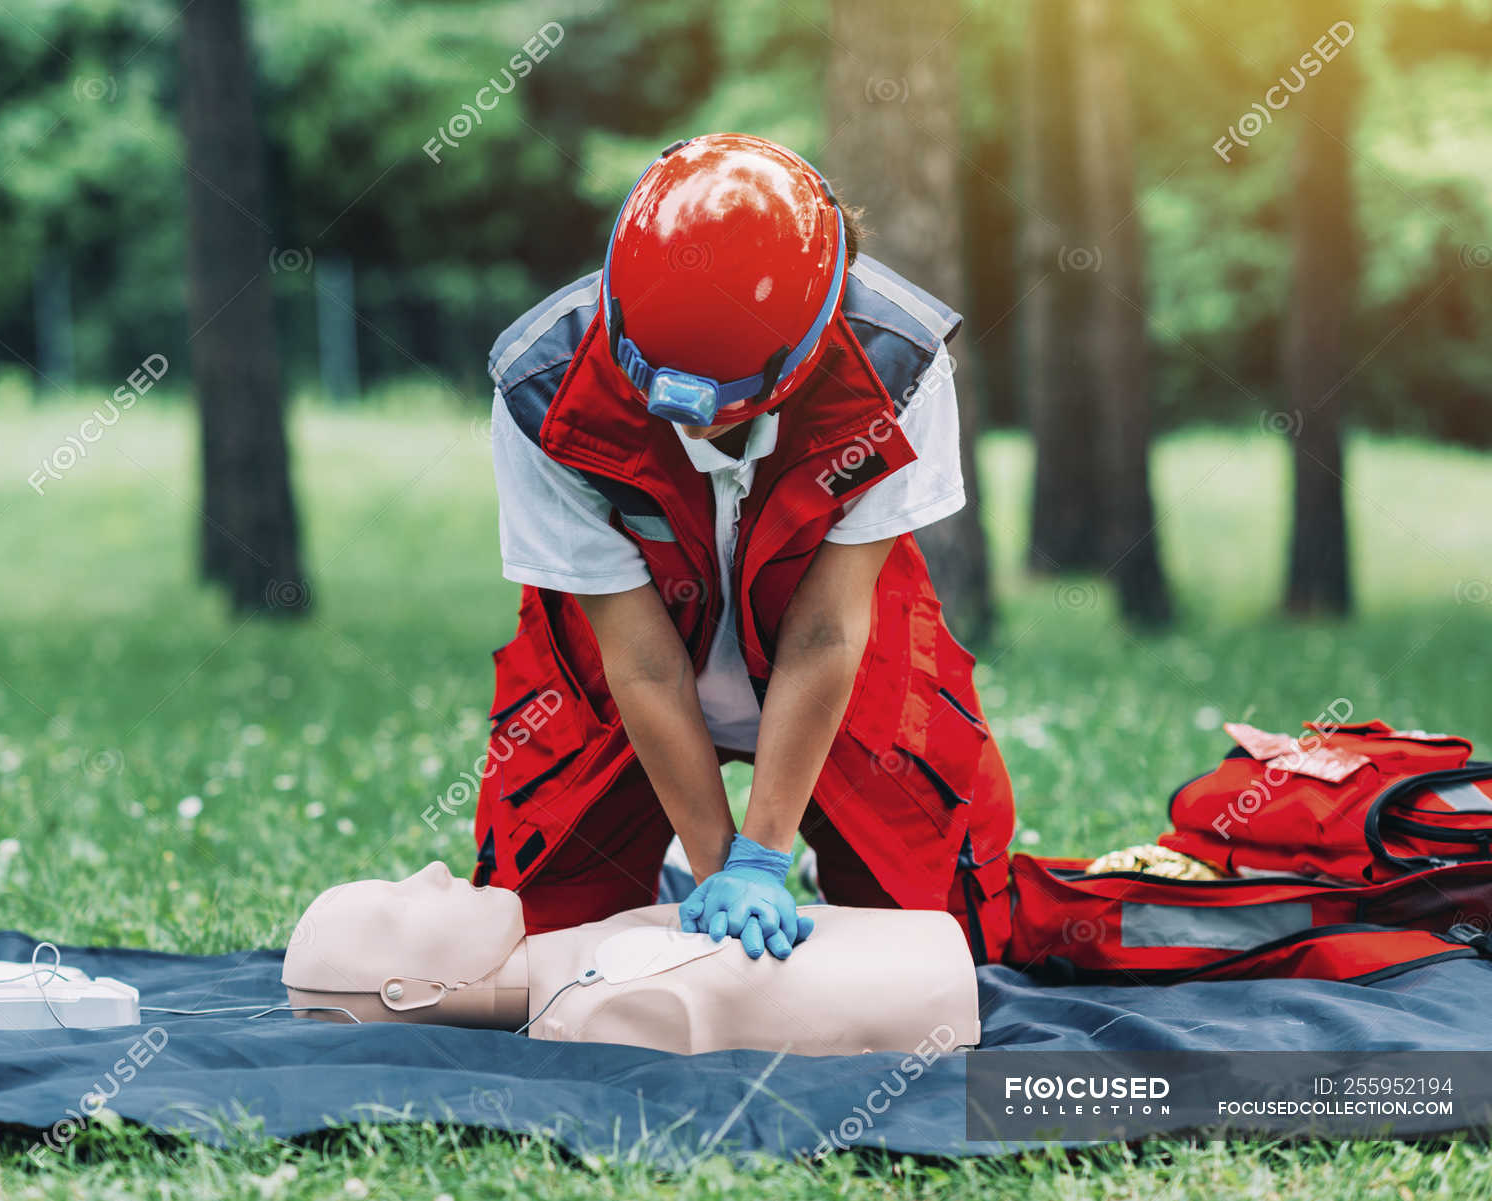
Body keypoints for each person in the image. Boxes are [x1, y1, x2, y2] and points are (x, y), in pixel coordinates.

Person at [473, 132, 1015, 964]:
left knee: (948, 942)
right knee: (533, 945)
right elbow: (642, 663)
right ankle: (660, 867)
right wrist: (717, 866)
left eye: (720, 406)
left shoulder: (899, 363)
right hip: (617, 677)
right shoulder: (541, 387)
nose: (688, 425)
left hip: (842, 656)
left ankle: (791, 838)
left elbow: (830, 629)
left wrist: (760, 860)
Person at [281, 862, 980, 1056]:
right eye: (399, 905)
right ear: (405, 992)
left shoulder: (579, 968)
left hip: (925, 956)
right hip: (936, 993)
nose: (430, 868)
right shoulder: (597, 1007)